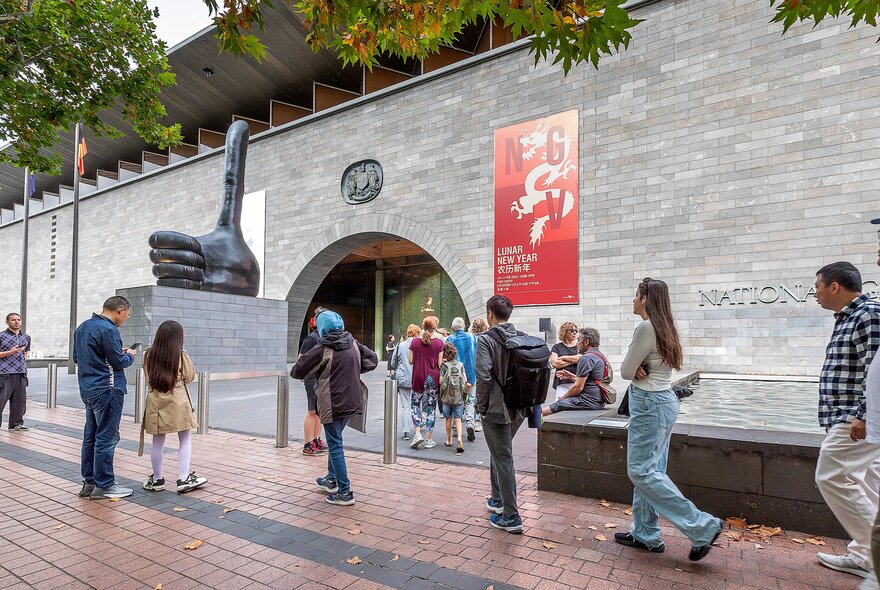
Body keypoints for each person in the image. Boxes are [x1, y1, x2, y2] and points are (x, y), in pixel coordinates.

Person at [615, 278, 722, 560]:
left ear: (645, 299)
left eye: (636, 295)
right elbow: (639, 368)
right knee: (652, 470)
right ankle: (645, 533)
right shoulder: (665, 326)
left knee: (641, 472)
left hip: (649, 403)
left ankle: (703, 526)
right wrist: (639, 367)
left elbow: (625, 371)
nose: (633, 300)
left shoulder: (645, 327)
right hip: (663, 400)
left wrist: (636, 367)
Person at [812, 261, 880, 580]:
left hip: (855, 417)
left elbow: (876, 368)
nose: (815, 293)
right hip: (848, 416)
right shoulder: (849, 317)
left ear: (834, 286)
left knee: (831, 474)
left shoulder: (868, 314)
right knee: (866, 481)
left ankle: (872, 553)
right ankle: (865, 555)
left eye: (817, 287)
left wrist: (862, 414)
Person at [292, 311, 377, 506]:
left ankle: (345, 492)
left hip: (331, 401)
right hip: (353, 399)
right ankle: (331, 479)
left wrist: (318, 372)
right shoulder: (353, 342)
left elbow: (297, 370)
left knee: (335, 444)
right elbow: (372, 359)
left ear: (322, 328)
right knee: (335, 439)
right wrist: (353, 369)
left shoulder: (323, 347)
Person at [73, 296, 137, 500]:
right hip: (108, 388)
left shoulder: (83, 327)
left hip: (88, 388)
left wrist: (115, 352)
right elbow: (118, 362)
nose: (125, 319)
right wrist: (130, 355)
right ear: (120, 310)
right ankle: (105, 485)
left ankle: (89, 482)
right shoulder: (109, 330)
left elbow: (77, 357)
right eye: (127, 315)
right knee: (107, 437)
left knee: (91, 436)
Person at [476, 295, 529, 534]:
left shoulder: (486, 340)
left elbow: (483, 376)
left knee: (503, 457)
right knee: (498, 451)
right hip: (520, 407)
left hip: (497, 408)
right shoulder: (521, 336)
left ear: (490, 314)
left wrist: (481, 407)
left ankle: (511, 515)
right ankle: (497, 499)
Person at [139, 321, 207, 494]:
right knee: (185, 438)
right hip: (178, 402)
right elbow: (190, 377)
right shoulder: (181, 356)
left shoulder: (147, 355)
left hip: (156, 403)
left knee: (157, 442)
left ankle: (157, 479)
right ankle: (183, 478)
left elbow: (148, 376)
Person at [543, 327, 606, 416]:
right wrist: (571, 376)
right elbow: (590, 381)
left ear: (586, 342)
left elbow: (577, 387)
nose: (576, 344)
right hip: (597, 399)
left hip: (588, 400)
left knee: (558, 404)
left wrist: (563, 397)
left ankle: (535, 418)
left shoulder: (586, 358)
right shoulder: (599, 355)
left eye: (579, 340)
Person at [408, 316, 444, 449]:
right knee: (431, 407)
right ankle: (428, 439)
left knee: (415, 404)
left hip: (418, 375)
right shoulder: (439, 343)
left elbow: (410, 361)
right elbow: (439, 363)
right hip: (432, 377)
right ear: (435, 327)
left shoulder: (414, 342)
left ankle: (417, 433)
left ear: (423, 326)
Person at [300, 307, 328, 456]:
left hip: (321, 379)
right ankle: (308, 444)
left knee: (319, 412)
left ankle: (316, 439)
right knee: (312, 411)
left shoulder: (323, 336)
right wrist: (304, 375)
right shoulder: (312, 338)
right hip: (313, 379)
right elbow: (301, 359)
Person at [447, 317, 477, 441]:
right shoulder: (471, 337)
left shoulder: (450, 339)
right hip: (470, 374)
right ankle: (470, 422)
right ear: (464, 326)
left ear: (453, 327)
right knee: (470, 400)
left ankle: (455, 426)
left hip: (456, 376)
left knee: (457, 400)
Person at [0, 313, 31, 431]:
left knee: (20, 401)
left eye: (18, 319)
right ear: (7, 322)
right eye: (13, 320)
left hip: (20, 373)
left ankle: (16, 424)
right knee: (1, 400)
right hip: (4, 374)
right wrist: (10, 352)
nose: (16, 322)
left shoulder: (26, 337)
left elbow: (25, 354)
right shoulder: (1, 336)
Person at [390, 324, 420, 440]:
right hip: (417, 377)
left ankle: (406, 431)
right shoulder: (420, 345)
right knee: (417, 404)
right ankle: (418, 427)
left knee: (405, 406)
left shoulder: (400, 345)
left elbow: (393, 363)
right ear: (417, 333)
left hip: (402, 378)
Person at [439, 342, 466, 453]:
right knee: (458, 419)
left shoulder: (444, 366)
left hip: (447, 396)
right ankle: (459, 438)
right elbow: (465, 380)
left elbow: (440, 381)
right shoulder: (460, 365)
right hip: (458, 396)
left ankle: (449, 440)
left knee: (448, 418)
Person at [550, 322, 580, 401]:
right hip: (562, 382)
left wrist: (563, 358)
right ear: (564, 332)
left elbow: (581, 358)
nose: (574, 333)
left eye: (576, 331)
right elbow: (554, 363)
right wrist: (574, 360)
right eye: (572, 330)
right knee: (559, 404)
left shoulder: (579, 346)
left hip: (577, 380)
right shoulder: (557, 347)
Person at [470, 317, 489, 432]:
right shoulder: (487, 338)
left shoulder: (470, 338)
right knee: (480, 394)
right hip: (482, 369)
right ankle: (478, 420)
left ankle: (469, 416)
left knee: (470, 394)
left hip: (471, 368)